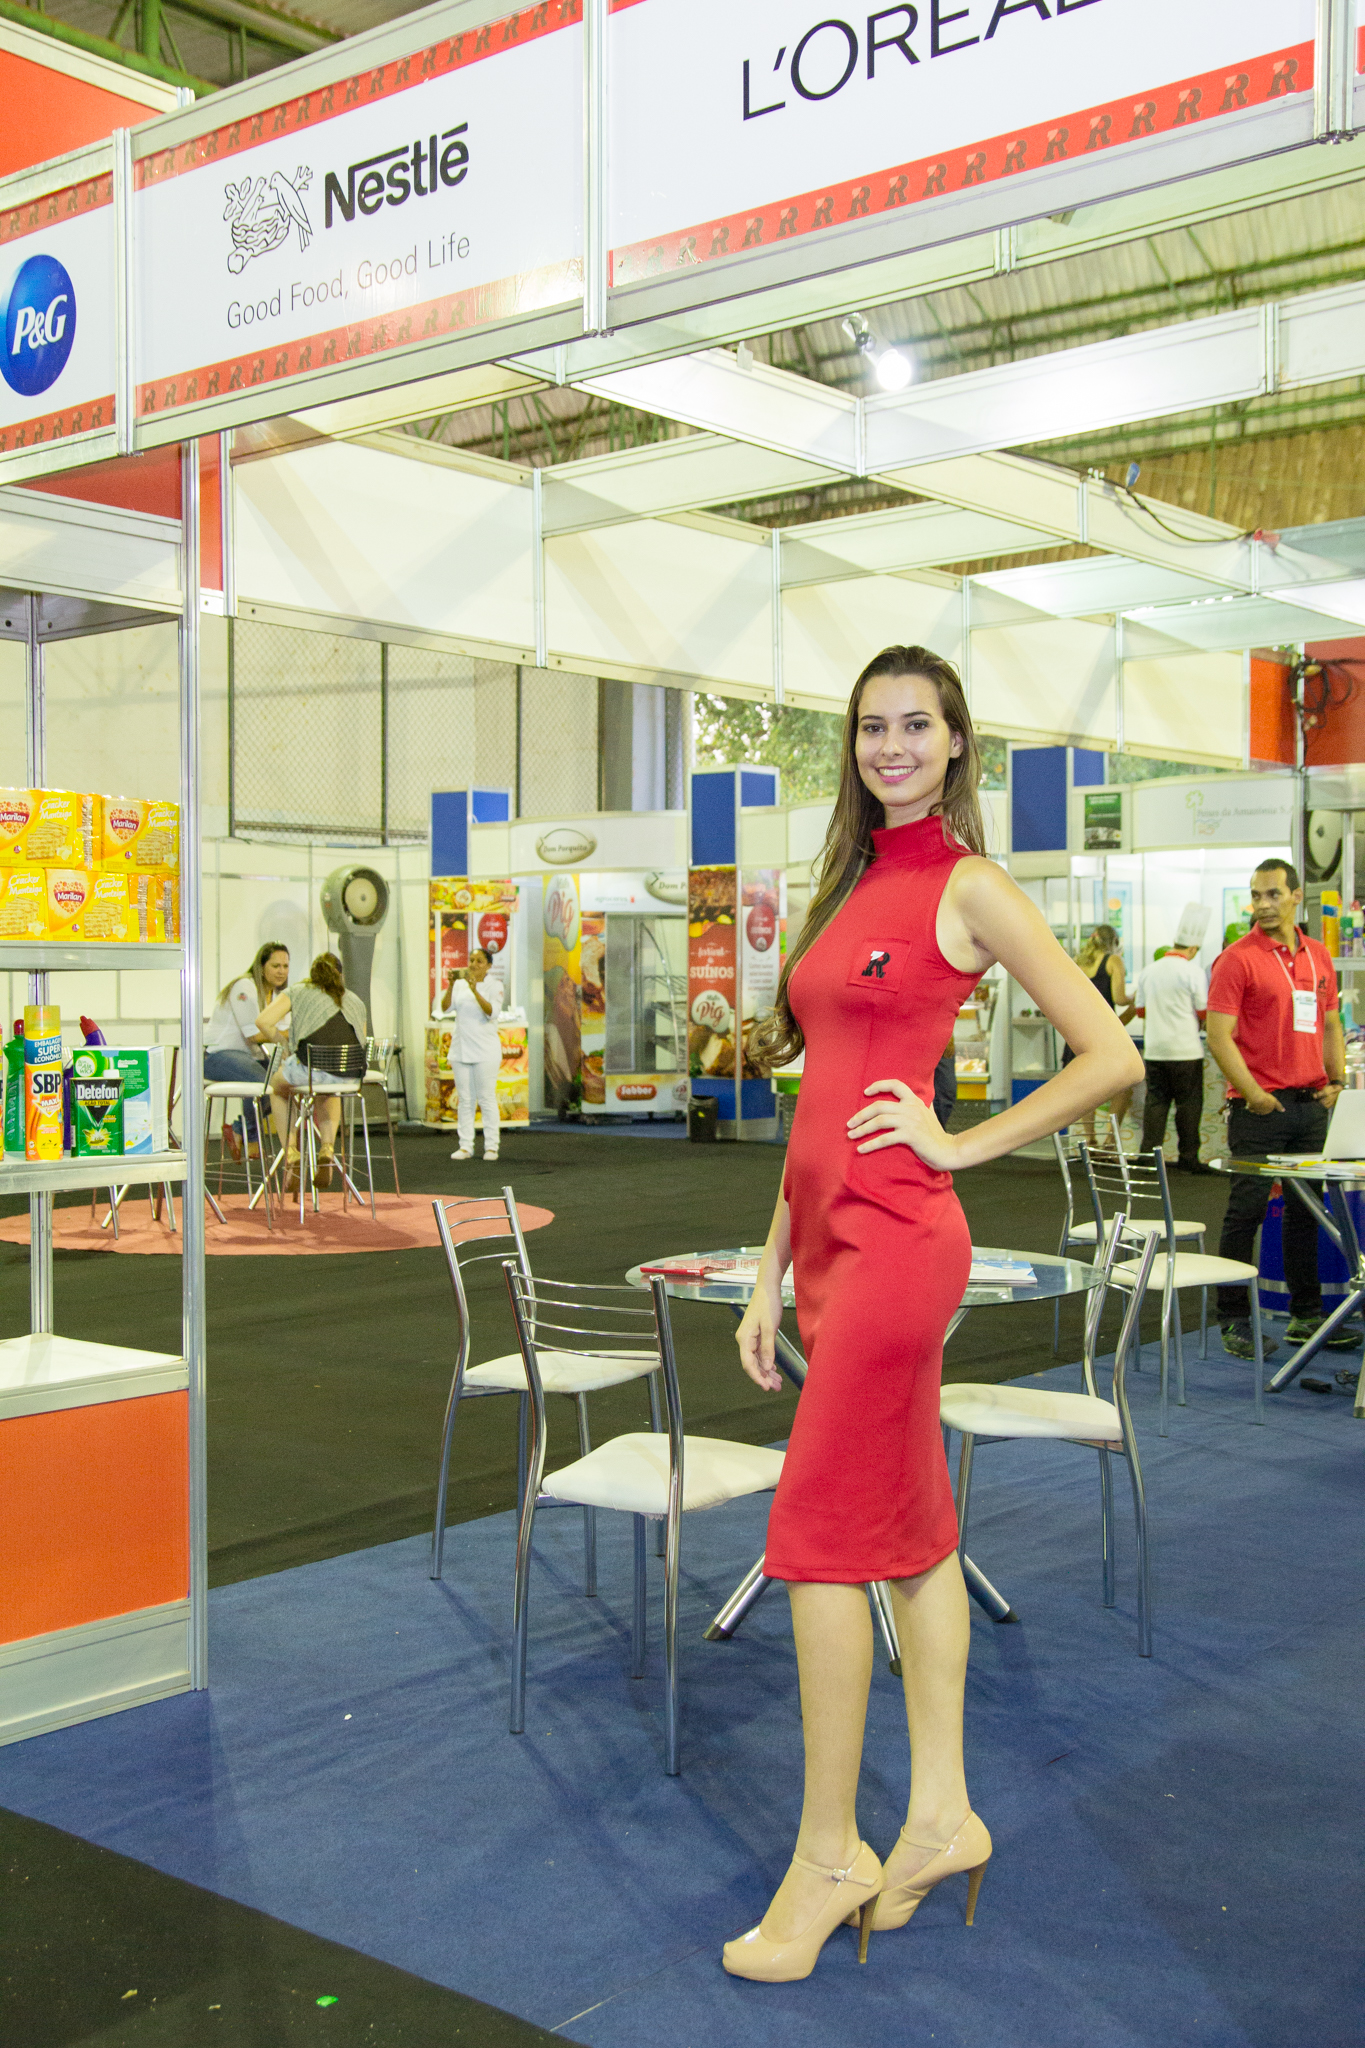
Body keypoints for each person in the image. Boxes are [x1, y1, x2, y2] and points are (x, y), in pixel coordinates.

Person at [724, 644, 1140, 1984]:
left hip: (903, 1244)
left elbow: (1111, 1056)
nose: (891, 745)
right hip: (827, 1247)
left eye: (917, 724)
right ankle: (945, 1813)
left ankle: (828, 1854)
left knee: (814, 1540)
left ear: (957, 740)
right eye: (871, 726)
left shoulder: (970, 885)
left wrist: (961, 1144)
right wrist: (769, 1267)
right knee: (908, 1531)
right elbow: (820, 1097)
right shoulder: (850, 881)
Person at [1206, 857, 1359, 1362]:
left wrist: (1336, 1080)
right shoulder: (1236, 959)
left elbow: (1331, 1023)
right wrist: (1252, 1092)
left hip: (1310, 1105)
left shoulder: (1319, 955)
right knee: (1246, 1212)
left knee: (1306, 1214)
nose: (1263, 904)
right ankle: (1233, 1319)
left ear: (1296, 895)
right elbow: (1218, 1036)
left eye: (1273, 894)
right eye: (1256, 895)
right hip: (1259, 1110)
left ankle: (1306, 1314)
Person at [257, 953, 368, 1193]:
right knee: (329, 1089)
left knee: (278, 1088)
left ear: (312, 975)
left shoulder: (297, 991)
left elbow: (263, 1021)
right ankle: (327, 1148)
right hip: (349, 1075)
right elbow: (361, 1039)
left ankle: (291, 1151)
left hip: (310, 1070)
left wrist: (284, 1045)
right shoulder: (354, 999)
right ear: (340, 975)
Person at [1125, 938, 1212, 1174]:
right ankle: (1188, 1159)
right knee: (1189, 1106)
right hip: (1186, 1050)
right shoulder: (1193, 971)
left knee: (1155, 1104)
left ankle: (1148, 1158)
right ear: (1192, 949)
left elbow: (1141, 1011)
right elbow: (1204, 1010)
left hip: (1155, 1049)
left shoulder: (1149, 971)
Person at [204, 942, 289, 1161]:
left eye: (285, 966)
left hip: (248, 1056)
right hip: (217, 1055)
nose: (281, 971)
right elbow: (254, 1034)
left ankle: (239, 1129)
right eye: (276, 966)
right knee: (263, 1083)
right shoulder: (244, 986)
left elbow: (282, 1029)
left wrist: (287, 1034)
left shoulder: (276, 994)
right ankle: (251, 1137)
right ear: (261, 966)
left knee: (282, 1084)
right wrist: (288, 1034)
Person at [1061, 924, 1128, 1144]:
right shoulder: (1113, 961)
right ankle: (1110, 1141)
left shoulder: (1078, 962)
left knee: (1085, 1091)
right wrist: (1137, 997)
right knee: (1123, 1087)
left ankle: (1090, 1142)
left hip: (1078, 1033)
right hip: (1103, 1034)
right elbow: (1119, 999)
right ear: (1114, 942)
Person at [443, 948, 503, 1163]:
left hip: (486, 1050)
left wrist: (475, 990)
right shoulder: (459, 985)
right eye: (471, 960)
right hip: (461, 1049)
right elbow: (445, 1008)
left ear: (488, 965)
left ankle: (492, 1146)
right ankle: (465, 1145)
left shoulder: (495, 986)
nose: (474, 964)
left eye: (479, 961)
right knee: (465, 1100)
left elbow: (492, 1012)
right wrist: (451, 985)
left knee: (486, 1098)